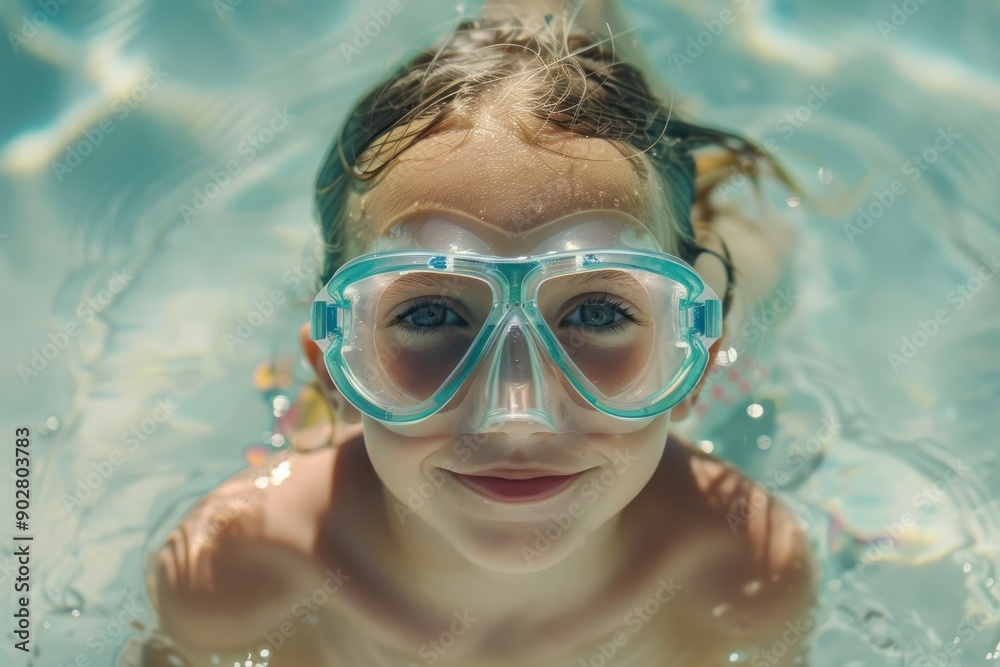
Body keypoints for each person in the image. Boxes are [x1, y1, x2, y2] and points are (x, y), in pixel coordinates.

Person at [141, 1, 817, 665]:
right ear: (332, 368)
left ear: (692, 364)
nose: (516, 418)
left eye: (597, 313)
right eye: (431, 315)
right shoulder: (235, 571)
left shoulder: (742, 570)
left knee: (753, 248)